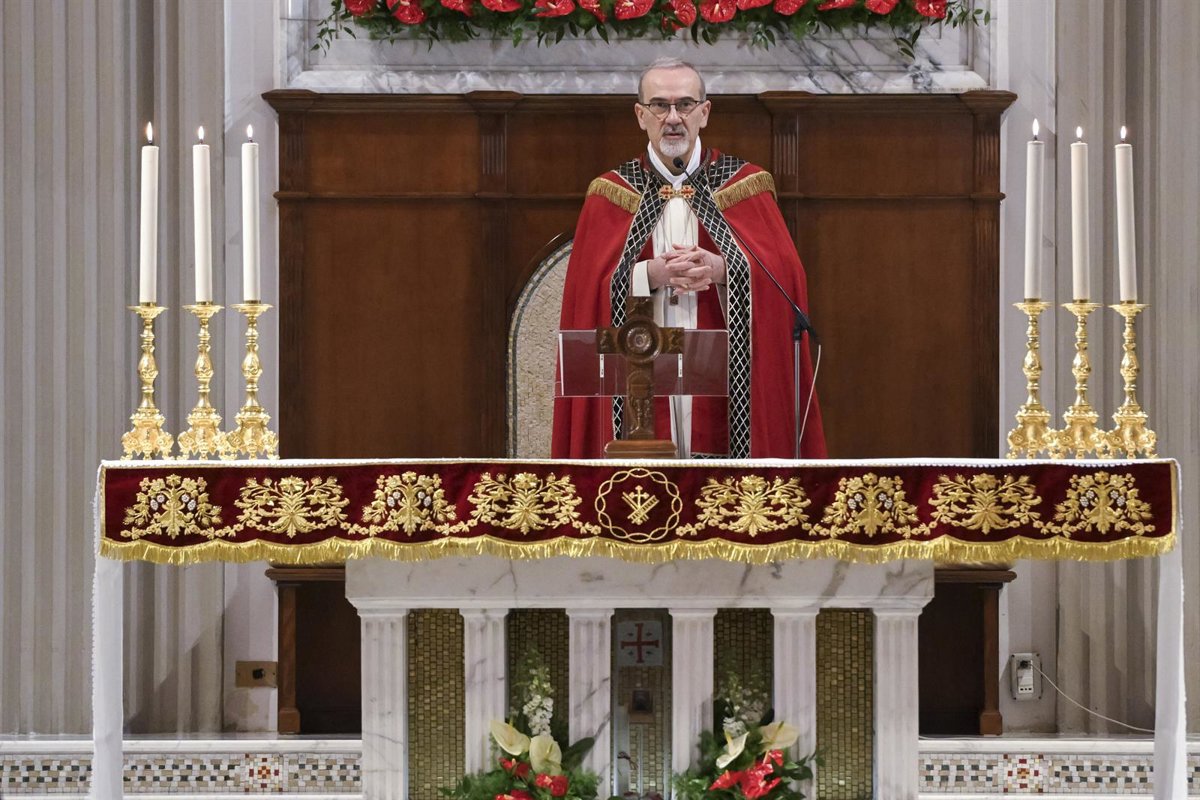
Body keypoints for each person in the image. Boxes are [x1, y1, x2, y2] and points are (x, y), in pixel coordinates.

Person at [551, 58, 825, 460]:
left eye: (685, 104)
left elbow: (786, 281)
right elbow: (585, 296)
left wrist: (724, 270)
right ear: (640, 115)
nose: (673, 118)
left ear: (704, 112)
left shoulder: (745, 186)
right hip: (642, 372)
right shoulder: (610, 193)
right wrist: (649, 275)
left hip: (724, 380)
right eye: (660, 105)